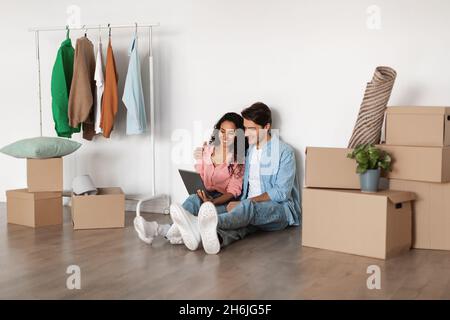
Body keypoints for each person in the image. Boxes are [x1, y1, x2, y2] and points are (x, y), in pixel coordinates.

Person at [170, 102, 301, 254]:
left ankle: (198, 224)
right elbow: (225, 152)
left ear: (266, 127)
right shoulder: (248, 150)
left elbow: (281, 193)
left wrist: (244, 202)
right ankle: (197, 234)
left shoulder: (284, 152)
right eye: (245, 128)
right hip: (245, 206)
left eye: (251, 129)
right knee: (223, 214)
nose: (245, 134)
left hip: (279, 210)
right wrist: (204, 152)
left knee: (245, 208)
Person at [134, 112, 248, 245]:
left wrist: (213, 201)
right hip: (204, 193)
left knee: (202, 213)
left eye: (231, 133)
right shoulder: (207, 151)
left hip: (223, 201)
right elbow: (199, 175)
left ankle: (159, 229)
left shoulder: (238, 160)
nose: (224, 137)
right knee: (193, 199)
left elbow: (233, 191)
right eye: (222, 131)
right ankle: (172, 234)